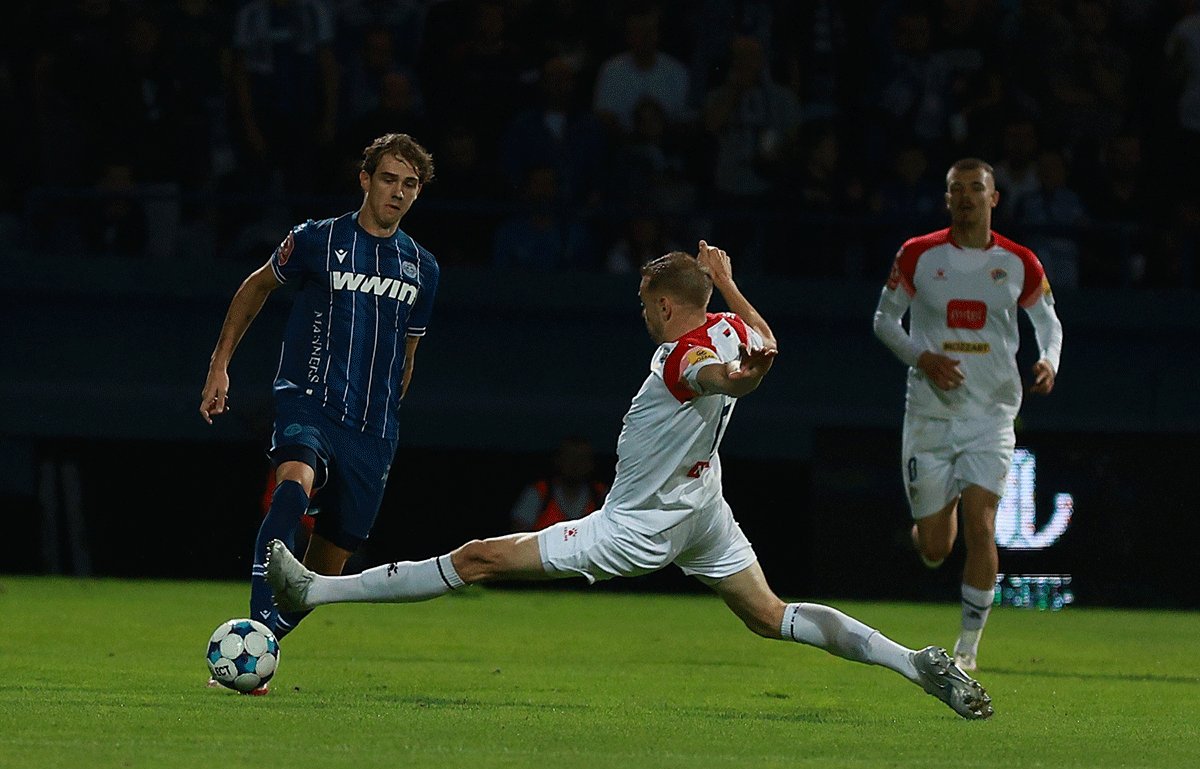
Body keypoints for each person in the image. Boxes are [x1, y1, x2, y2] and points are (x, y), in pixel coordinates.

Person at [267, 241, 994, 720]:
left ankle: (315, 590)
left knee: (480, 557)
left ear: (669, 306)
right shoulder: (729, 327)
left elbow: (717, 378)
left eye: (647, 302)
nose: (643, 312)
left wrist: (737, 380)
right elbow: (763, 343)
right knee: (771, 615)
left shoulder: (678, 357)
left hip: (639, 523)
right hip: (703, 508)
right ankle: (913, 662)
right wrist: (734, 291)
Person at [199, 132, 439, 692]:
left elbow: (409, 352)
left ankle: (263, 642)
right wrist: (220, 364)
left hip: (373, 430)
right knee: (292, 486)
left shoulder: (423, 268)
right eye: (388, 179)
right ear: (364, 179)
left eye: (410, 184)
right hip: (308, 400)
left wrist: (387, 410)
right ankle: (255, 642)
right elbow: (257, 286)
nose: (397, 193)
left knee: (327, 572)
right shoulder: (315, 239)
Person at [872, 157, 1063, 672]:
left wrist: (1048, 361)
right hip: (931, 416)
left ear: (993, 198)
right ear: (947, 199)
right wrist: (923, 357)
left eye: (975, 189)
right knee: (935, 547)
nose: (966, 197)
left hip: (991, 416)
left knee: (982, 524)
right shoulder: (917, 255)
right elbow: (884, 321)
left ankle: (968, 648)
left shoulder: (1020, 262)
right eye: (956, 189)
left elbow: (1050, 324)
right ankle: (931, 517)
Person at [509, 436, 609, 532]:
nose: (576, 464)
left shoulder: (602, 494)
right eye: (570, 457)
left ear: (591, 463)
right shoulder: (538, 492)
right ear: (558, 460)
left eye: (582, 458)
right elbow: (518, 536)